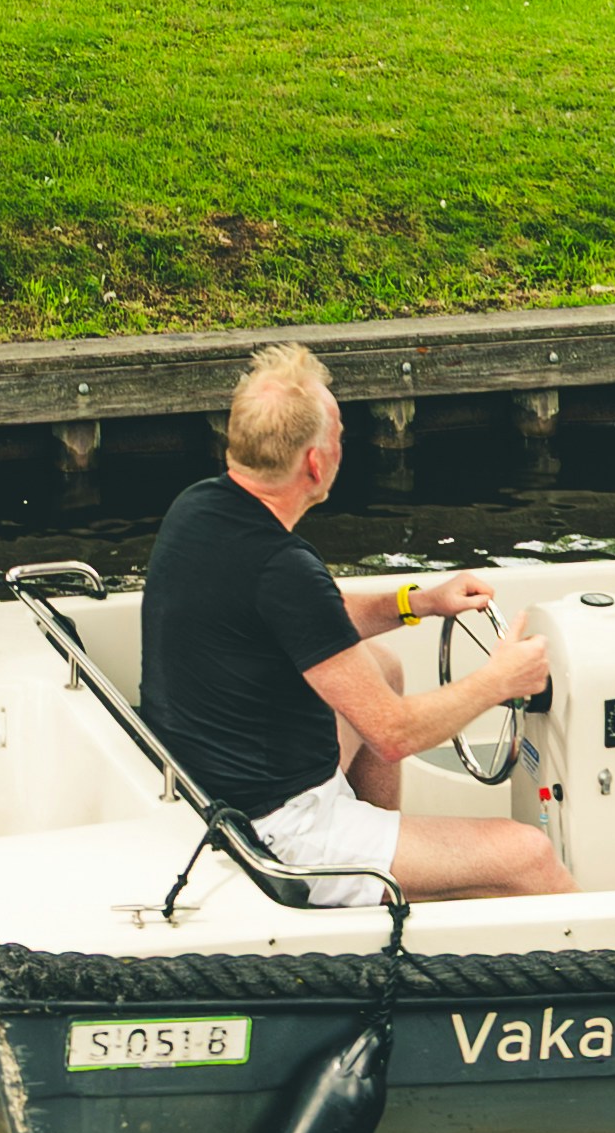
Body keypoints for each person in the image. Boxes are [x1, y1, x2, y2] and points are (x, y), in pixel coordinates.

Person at [135, 342, 570, 902]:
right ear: (316, 462)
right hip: (277, 834)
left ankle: (383, 883)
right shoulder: (281, 567)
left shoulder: (198, 508)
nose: (344, 447)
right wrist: (500, 681)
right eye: (339, 435)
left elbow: (312, 617)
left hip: (217, 783)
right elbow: (394, 734)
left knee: (383, 667)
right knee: (528, 857)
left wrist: (421, 601)